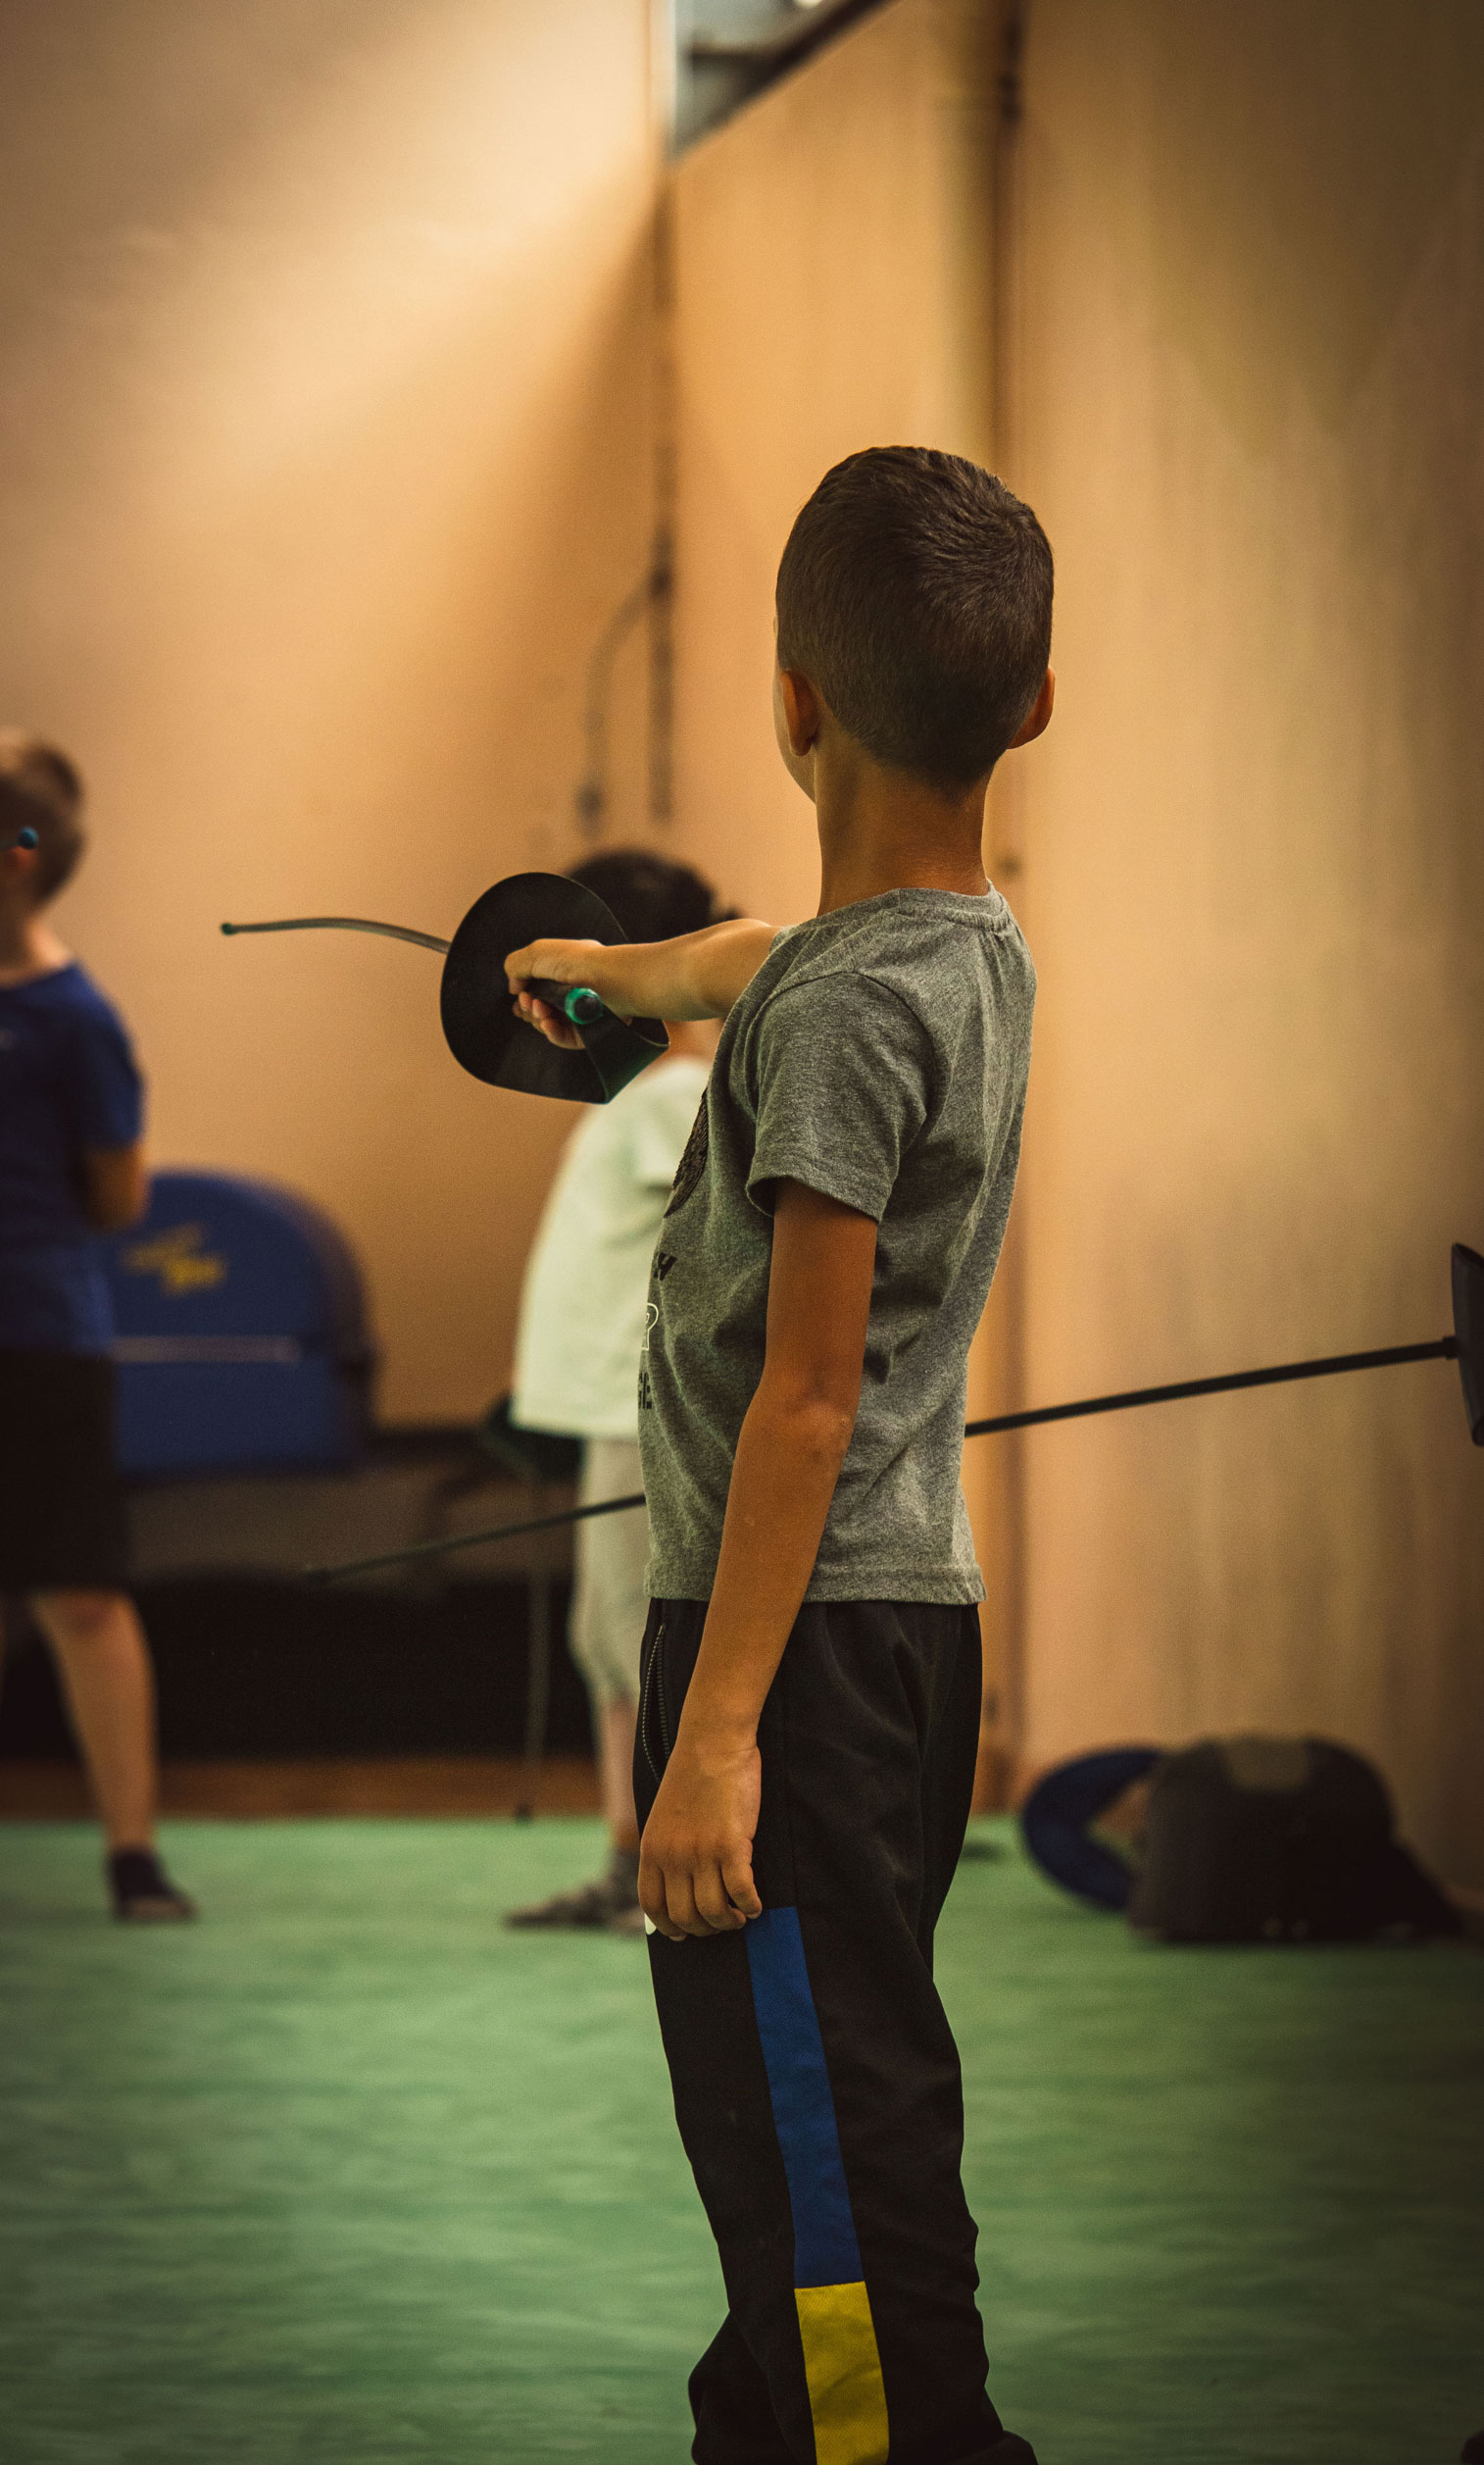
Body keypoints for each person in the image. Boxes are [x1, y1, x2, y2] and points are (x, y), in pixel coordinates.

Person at [507, 447, 1053, 2464]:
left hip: (790, 1660)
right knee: (807, 2105)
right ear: (1034, 702)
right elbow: (752, 958)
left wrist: (711, 1731)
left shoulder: (834, 1025)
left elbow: (807, 1398)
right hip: (899, 1643)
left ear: (788, 702)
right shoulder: (964, 956)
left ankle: (893, 2445)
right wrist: (608, 975)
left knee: (823, 2157)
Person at [505, 850, 725, 1935]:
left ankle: (658, 1872)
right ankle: (625, 1855)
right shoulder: (640, 1097)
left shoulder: (678, 1094)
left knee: (640, 1639)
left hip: (641, 1418)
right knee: (610, 1641)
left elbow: (735, 1236)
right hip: (606, 1414)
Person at [0, 731, 193, 1921]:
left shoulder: (77, 1021)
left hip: (40, 1337)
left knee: (78, 1595)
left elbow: (120, 1196)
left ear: (18, 859)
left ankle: (132, 1854)